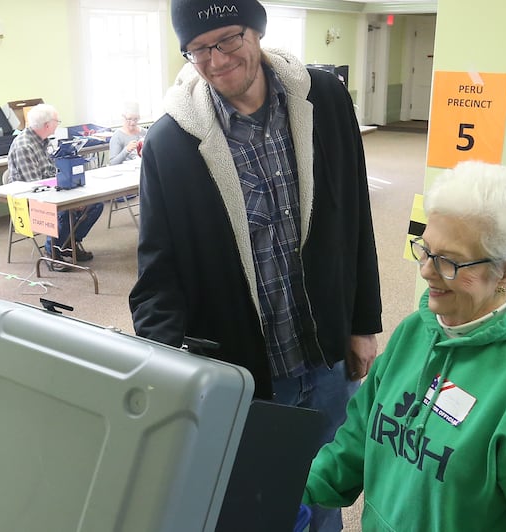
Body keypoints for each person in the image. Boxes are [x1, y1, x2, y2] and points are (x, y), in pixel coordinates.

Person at [128, 1, 382, 529]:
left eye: (228, 39)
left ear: (257, 31)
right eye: (198, 49)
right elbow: (158, 272)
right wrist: (163, 371)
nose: (216, 59)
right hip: (249, 370)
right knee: (266, 505)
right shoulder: (171, 144)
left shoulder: (324, 100)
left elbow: (355, 213)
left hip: (325, 353)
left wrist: (362, 323)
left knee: (328, 490)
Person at [302, 161, 506, 531]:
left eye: (450, 261)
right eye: (425, 250)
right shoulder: (415, 332)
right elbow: (356, 444)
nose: (427, 271)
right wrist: (289, 490)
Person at [7, 103, 104, 269]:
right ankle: (51, 251)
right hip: (30, 200)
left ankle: (68, 244)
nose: (57, 124)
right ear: (47, 125)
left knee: (95, 204)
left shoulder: (43, 142)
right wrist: (70, 199)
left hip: (51, 191)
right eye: (56, 121)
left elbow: (53, 172)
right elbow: (36, 187)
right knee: (68, 209)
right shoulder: (24, 146)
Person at [108, 102, 147, 166]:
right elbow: (113, 163)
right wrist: (127, 150)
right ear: (123, 117)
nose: (132, 123)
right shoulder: (118, 136)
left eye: (136, 119)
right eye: (129, 119)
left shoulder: (145, 133)